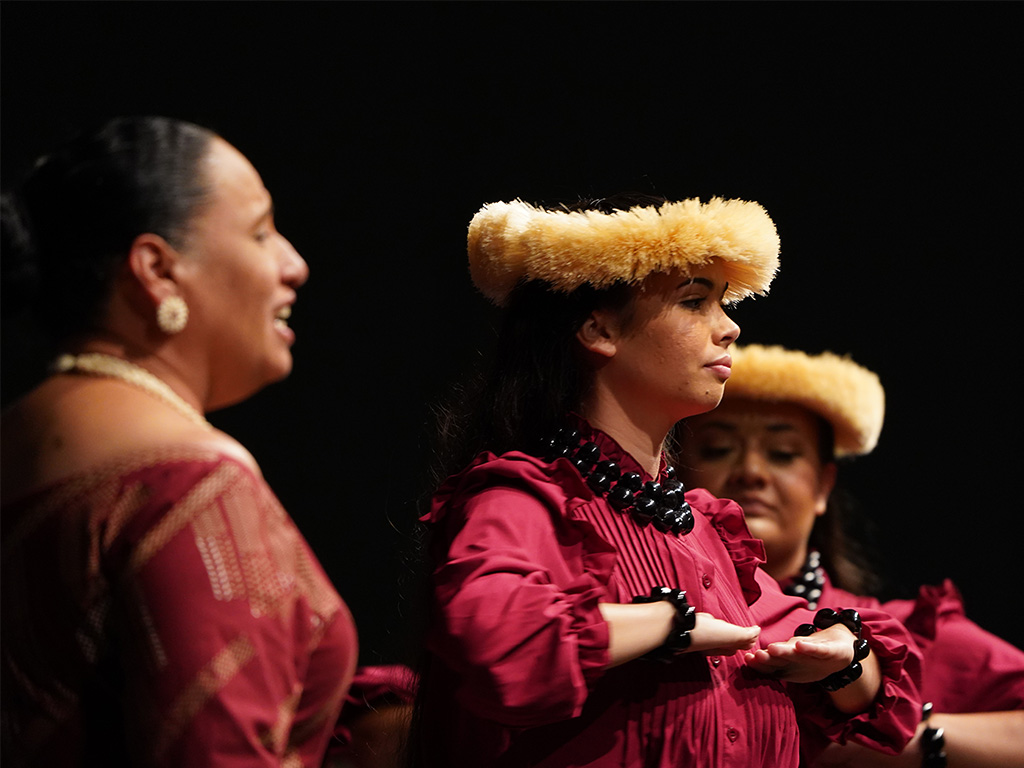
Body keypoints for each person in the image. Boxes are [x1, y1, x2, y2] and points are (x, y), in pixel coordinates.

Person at [412, 195, 923, 767]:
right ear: (599, 329)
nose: (729, 328)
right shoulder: (521, 501)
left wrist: (842, 655)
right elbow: (500, 637)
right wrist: (668, 623)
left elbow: (871, 681)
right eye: (695, 301)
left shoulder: (703, 529)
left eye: (723, 304)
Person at [0, 117, 358, 767]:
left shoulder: (21, 439)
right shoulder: (189, 481)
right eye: (259, 232)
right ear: (158, 271)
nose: (294, 265)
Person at [676, 343, 1024, 767]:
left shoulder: (905, 632)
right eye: (716, 449)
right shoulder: (651, 610)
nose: (751, 471)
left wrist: (900, 741)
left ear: (824, 486)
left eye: (783, 454)